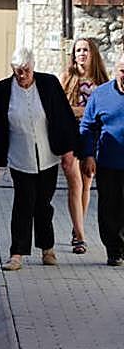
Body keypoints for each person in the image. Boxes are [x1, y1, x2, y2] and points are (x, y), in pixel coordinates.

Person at [0, 48, 79, 271]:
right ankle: (16, 254)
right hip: (20, 156)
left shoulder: (49, 84)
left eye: (26, 71)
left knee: (43, 204)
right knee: (23, 203)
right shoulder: (1, 90)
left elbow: (63, 118)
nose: (22, 76)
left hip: (48, 156)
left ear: (33, 67)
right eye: (18, 72)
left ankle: (47, 249)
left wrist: (68, 151)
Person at [61, 37, 109, 254]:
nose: (81, 54)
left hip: (93, 138)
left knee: (87, 185)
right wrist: (82, 112)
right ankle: (80, 237)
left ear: (93, 54)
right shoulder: (67, 78)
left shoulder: (102, 81)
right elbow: (60, 109)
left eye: (85, 50)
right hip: (70, 135)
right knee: (75, 184)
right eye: (78, 50)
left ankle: (76, 227)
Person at [78, 52, 124, 266]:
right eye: (123, 71)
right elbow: (87, 126)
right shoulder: (101, 95)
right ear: (115, 70)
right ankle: (113, 250)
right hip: (108, 163)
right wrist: (88, 155)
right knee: (109, 207)